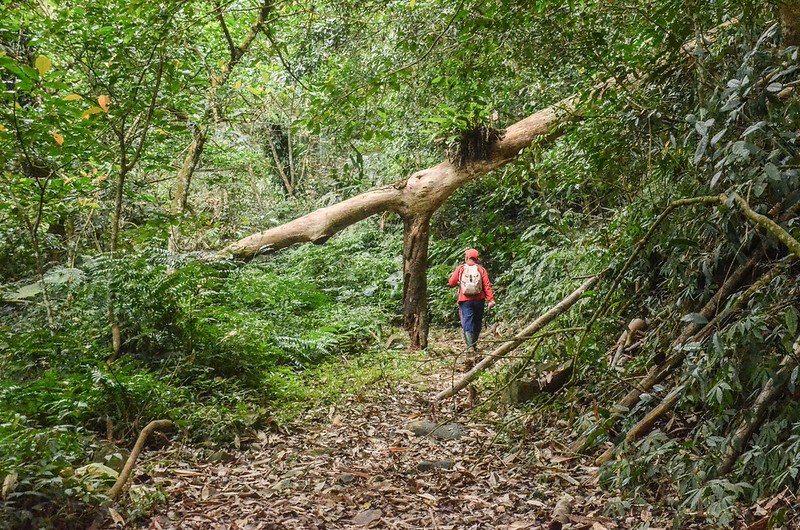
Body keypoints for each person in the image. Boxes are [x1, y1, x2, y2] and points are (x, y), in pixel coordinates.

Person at [447, 248, 495, 353]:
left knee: (467, 321)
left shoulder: (461, 268)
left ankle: (470, 347)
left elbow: (451, 282)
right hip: (479, 300)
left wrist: (455, 283)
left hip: (465, 300)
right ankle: (474, 344)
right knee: (477, 321)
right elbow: (487, 285)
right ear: (476, 258)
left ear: (467, 257)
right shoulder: (481, 269)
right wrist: (490, 300)